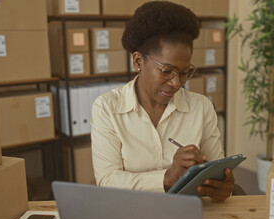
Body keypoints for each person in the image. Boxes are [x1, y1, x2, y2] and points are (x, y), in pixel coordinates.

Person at [91, 1, 234, 201]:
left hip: (187, 213)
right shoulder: (107, 108)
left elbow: (215, 170)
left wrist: (221, 186)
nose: (176, 83)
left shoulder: (201, 107)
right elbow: (107, 181)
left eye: (185, 72)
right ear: (138, 61)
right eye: (167, 71)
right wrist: (167, 178)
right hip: (131, 213)